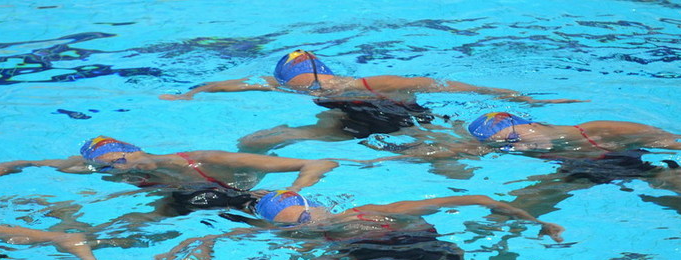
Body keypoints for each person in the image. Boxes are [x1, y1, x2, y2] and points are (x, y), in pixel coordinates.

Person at [363, 112, 681, 259]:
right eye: (506, 146)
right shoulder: (516, 146)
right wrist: (391, 155)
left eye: (517, 140)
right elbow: (455, 152)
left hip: (641, 166)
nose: (516, 149)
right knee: (511, 212)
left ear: (530, 123)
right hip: (574, 172)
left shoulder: (606, 130)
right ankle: (495, 255)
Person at [156, 189, 565, 260]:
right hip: (427, 252)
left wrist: (540, 222)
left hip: (381, 257)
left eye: (301, 221)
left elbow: (475, 199)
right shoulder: (373, 211)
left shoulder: (377, 211)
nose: (303, 229)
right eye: (294, 227)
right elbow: (476, 199)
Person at [160, 49, 584, 151]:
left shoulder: (371, 81)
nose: (313, 90)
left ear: (327, 74)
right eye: (306, 86)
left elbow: (445, 86)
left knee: (450, 157)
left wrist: (518, 97)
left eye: (316, 82)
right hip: (347, 123)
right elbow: (234, 85)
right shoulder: (288, 87)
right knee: (254, 143)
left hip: (401, 114)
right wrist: (190, 92)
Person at [0, 135, 339, 191]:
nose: (119, 169)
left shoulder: (209, 159)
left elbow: (321, 162)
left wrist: (291, 194)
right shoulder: (112, 169)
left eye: (122, 160)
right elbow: (25, 161)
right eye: (107, 168)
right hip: (185, 198)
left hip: (234, 191)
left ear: (136, 149)